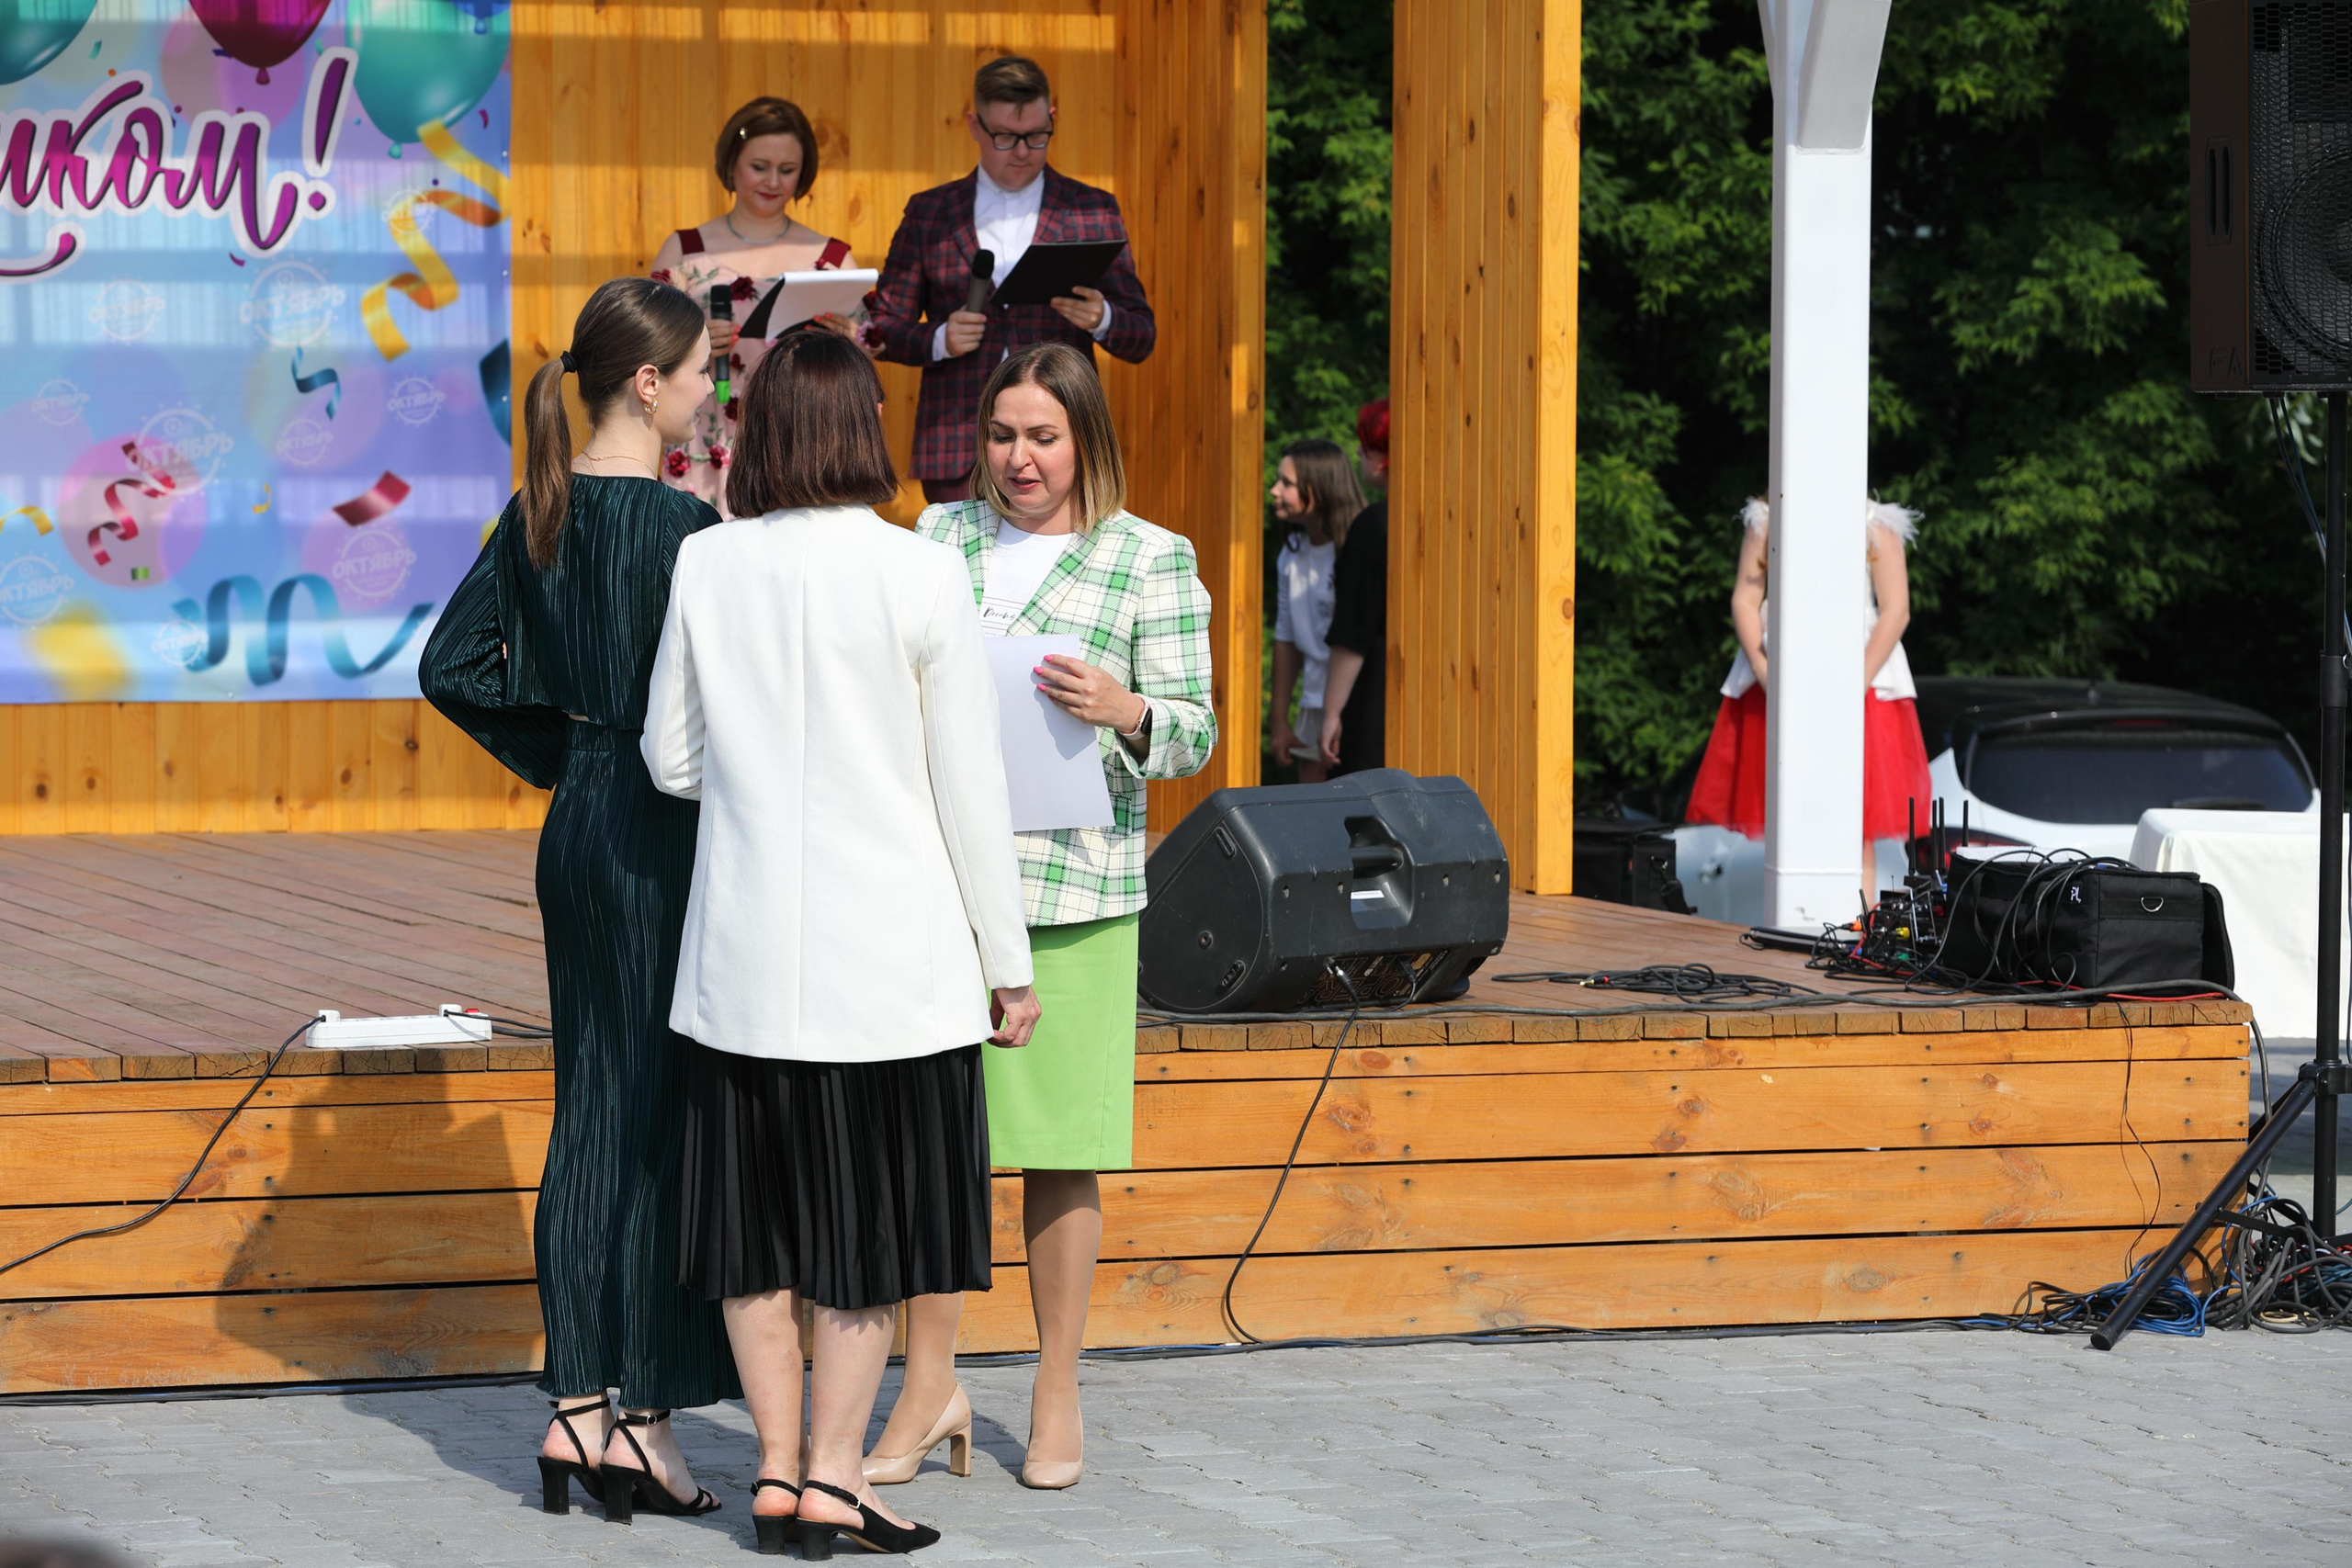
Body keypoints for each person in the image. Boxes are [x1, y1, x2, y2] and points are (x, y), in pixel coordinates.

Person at [645, 330, 1040, 1558]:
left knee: (753, 1233)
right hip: (897, 965)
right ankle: (833, 1476)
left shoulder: (706, 562)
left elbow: (670, 758)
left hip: (743, 963)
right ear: (863, 427)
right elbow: (969, 782)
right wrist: (1007, 955)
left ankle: (770, 1471)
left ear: (759, 429)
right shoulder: (921, 570)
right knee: (865, 1237)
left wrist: (759, 787)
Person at [871, 342, 1215, 1492]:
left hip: (1074, 894)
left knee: (1059, 1155)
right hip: (940, 889)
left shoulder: (1151, 559)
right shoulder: (934, 539)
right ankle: (928, 1386)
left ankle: (1056, 1386)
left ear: (1085, 439)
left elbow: (1196, 732)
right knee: (935, 1151)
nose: (1022, 459)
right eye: (1006, 435)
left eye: (1045, 436)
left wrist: (1127, 710)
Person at [419, 277, 735, 1521]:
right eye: (704, 370)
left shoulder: (538, 511)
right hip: (666, 829)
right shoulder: (688, 531)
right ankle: (637, 1412)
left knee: (590, 1107)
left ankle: (578, 1409)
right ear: (648, 384)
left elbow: (449, 664)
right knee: (655, 1116)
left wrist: (560, 751)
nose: (713, 391)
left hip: (581, 824)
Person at [866, 55, 1155, 505]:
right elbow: (880, 329)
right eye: (1004, 136)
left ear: (1053, 118)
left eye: (1037, 136)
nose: (1022, 151)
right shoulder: (931, 212)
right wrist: (939, 338)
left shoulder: (1091, 209)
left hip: (1061, 442)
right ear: (974, 126)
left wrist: (1103, 316)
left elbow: (1141, 336)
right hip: (958, 445)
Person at [1684, 496, 1934, 902]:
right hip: (1780, 672)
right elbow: (1744, 600)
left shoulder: (1874, 523)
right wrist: (1765, 672)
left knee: (1857, 821)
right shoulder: (1767, 519)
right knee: (1791, 813)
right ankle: (1794, 921)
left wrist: (1857, 680)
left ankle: (1858, 929)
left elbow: (1896, 610)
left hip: (1861, 680)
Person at [650, 96, 858, 514]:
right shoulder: (686, 251)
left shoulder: (830, 257)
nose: (773, 182)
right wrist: (694, 344)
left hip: (801, 443)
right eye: (759, 167)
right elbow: (643, 348)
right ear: (731, 165)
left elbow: (866, 359)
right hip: (706, 441)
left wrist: (847, 344)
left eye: (787, 170)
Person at [1267, 439, 1364, 783]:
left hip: (1360, 702)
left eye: (1287, 483)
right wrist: (1278, 722)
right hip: (1313, 701)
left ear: (1321, 488)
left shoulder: (1359, 546)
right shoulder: (1292, 555)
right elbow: (1286, 638)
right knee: (1314, 807)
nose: (1274, 490)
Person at [1320, 398, 1389, 774]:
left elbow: (1353, 631)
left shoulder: (1374, 527)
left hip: (1374, 702)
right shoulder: (1456, 525)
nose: (1359, 453)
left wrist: (1332, 713)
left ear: (1382, 457)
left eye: (1365, 445)